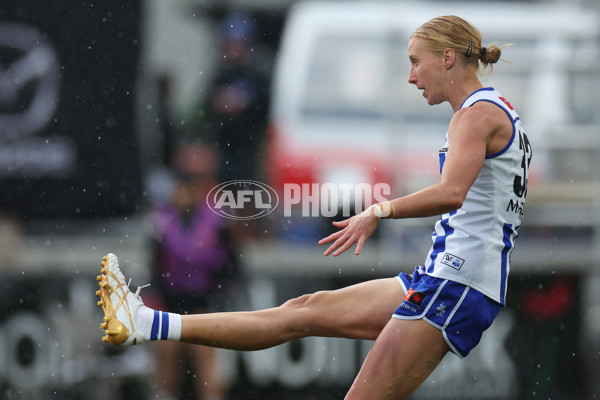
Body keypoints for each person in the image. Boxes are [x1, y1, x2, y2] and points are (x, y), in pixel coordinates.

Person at [96, 15, 532, 399]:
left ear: (449, 57)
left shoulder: (475, 115)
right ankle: (148, 324)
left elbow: (452, 192)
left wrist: (379, 210)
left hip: (455, 287)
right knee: (302, 310)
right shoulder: (493, 112)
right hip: (445, 280)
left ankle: (145, 323)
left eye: (416, 62)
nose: (412, 77)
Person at [148, 144, 240, 400]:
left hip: (205, 301)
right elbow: (155, 265)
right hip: (171, 301)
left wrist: (220, 296)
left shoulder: (217, 219)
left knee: (205, 353)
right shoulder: (162, 221)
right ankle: (164, 395)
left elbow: (231, 264)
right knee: (166, 350)